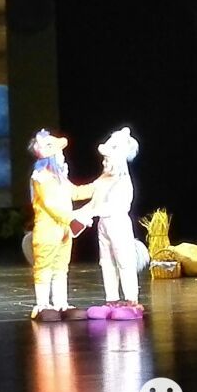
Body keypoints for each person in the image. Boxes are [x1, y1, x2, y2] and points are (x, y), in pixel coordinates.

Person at [74, 127, 143, 321]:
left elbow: (113, 205)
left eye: (108, 158)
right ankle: (111, 299)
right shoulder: (104, 178)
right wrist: (78, 213)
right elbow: (92, 197)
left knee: (124, 261)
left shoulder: (122, 181)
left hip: (117, 223)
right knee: (106, 261)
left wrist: (90, 212)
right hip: (104, 225)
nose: (105, 162)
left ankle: (131, 300)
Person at [27, 129, 93, 322]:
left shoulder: (60, 178)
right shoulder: (41, 178)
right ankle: (42, 304)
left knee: (61, 267)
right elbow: (50, 204)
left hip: (63, 231)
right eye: (58, 152)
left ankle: (60, 303)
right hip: (48, 230)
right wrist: (72, 218)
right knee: (44, 267)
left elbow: (76, 193)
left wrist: (98, 187)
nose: (61, 155)